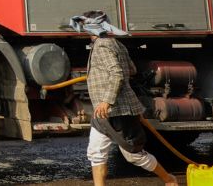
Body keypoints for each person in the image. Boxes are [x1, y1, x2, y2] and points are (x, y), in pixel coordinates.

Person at [70, 10, 177, 186]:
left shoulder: (103, 46)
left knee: (134, 155)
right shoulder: (115, 43)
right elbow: (131, 69)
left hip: (117, 109)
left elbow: (118, 73)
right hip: (103, 112)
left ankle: (169, 179)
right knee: (96, 152)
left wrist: (107, 100)